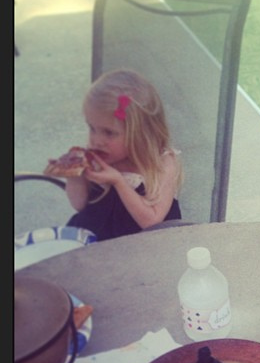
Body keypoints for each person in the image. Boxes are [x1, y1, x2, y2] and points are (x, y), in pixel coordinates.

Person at [65, 69, 182, 240]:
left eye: (109, 132)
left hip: (142, 246)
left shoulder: (162, 163)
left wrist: (118, 181)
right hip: (96, 239)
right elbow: (80, 206)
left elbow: (151, 222)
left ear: (140, 134)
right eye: (92, 128)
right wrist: (75, 178)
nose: (96, 140)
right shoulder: (99, 157)